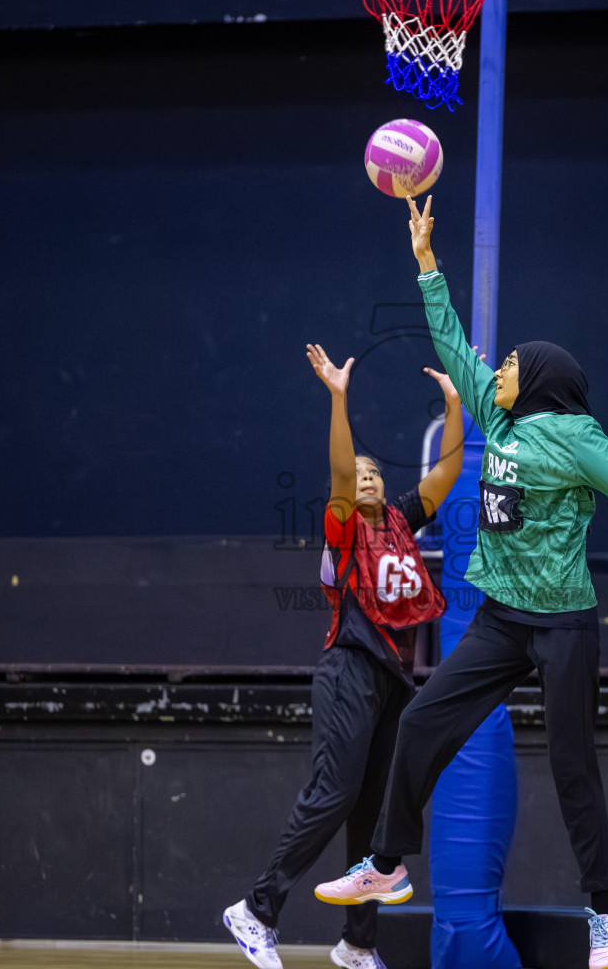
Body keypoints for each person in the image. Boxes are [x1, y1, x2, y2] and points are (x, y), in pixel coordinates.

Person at [314, 196, 608, 969]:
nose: (497, 368)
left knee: (573, 766)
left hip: (565, 624)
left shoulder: (579, 442)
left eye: (510, 363)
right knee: (420, 724)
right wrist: (426, 263)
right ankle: (386, 865)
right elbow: (449, 338)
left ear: (541, 379)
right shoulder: (497, 416)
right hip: (503, 621)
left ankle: (607, 915)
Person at [223, 345, 465, 969]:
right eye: (356, 473)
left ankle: (357, 944)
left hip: (393, 682)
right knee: (333, 793)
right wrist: (338, 397)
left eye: (373, 473)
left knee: (374, 819)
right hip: (348, 670)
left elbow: (445, 476)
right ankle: (256, 909)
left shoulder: (402, 522)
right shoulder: (343, 526)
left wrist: (457, 406)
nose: (364, 477)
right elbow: (338, 471)